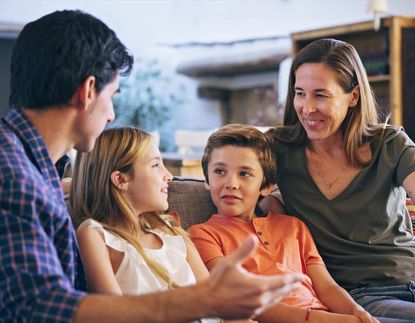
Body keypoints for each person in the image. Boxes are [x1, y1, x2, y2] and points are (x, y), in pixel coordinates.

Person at [0, 10, 303, 322]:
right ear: (87, 91)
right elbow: (38, 308)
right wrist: (204, 300)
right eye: (112, 95)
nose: (111, 116)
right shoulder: (14, 178)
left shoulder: (33, 172)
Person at [264, 38, 415, 322]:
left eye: (321, 95)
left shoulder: (390, 143)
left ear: (353, 96)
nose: (307, 107)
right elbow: (238, 177)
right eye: (300, 93)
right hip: (363, 296)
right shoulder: (278, 150)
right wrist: (269, 204)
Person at [188, 124, 380, 323]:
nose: (231, 183)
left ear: (266, 186)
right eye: (220, 171)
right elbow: (239, 299)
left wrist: (358, 313)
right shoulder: (202, 234)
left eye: (244, 174)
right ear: (207, 180)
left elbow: (327, 287)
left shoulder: (294, 227)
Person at [72, 126, 253, 323]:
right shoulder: (95, 236)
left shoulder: (174, 235)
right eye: (156, 165)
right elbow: (112, 315)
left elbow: (214, 305)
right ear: (121, 180)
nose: (169, 175)